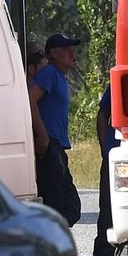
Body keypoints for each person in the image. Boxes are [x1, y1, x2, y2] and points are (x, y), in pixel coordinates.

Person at [29, 33, 83, 224]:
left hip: (58, 145)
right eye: (66, 49)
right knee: (56, 204)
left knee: (70, 207)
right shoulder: (50, 73)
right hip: (50, 144)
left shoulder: (59, 76)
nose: (72, 53)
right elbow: (30, 100)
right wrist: (43, 136)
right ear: (53, 53)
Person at [88, 83, 116, 256]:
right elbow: (102, 114)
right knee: (107, 205)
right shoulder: (119, 83)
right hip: (115, 152)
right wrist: (105, 147)